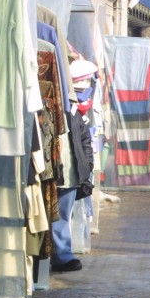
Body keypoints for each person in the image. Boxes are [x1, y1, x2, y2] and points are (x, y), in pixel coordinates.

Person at [51, 102, 94, 273]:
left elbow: (85, 140)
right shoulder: (46, 110)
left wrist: (87, 163)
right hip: (52, 172)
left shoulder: (73, 114)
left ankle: (62, 255)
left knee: (62, 216)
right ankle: (57, 255)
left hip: (71, 173)